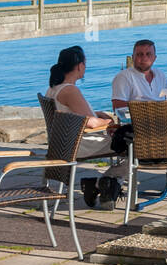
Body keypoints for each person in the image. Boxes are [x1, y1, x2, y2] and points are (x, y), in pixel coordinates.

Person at [45, 45, 126, 176]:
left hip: (63, 144)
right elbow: (91, 123)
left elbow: (74, 114)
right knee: (134, 144)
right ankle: (107, 180)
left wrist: (97, 114)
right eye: (85, 63)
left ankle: (110, 182)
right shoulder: (70, 90)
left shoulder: (54, 88)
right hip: (79, 145)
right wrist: (109, 122)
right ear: (80, 66)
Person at [111, 39, 167, 110]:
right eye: (139, 54)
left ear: (154, 58)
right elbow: (118, 107)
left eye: (148, 54)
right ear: (133, 57)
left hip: (163, 117)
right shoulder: (123, 77)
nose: (144, 58)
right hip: (137, 119)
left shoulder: (160, 74)